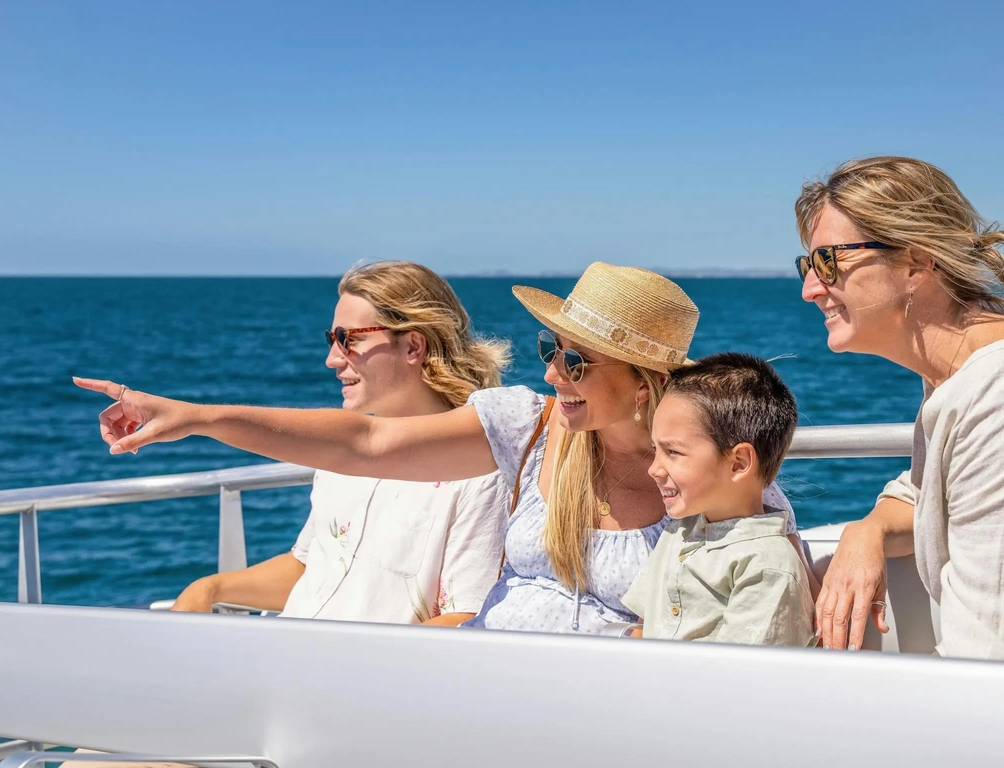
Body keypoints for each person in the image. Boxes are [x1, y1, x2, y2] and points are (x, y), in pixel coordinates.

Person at [76, 261, 808, 635]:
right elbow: (367, 442)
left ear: (646, 382)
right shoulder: (530, 426)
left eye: (575, 362)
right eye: (553, 351)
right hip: (476, 686)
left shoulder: (712, 474)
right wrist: (199, 416)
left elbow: (758, 584)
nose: (552, 373)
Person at [163, 260, 512, 625]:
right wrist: (209, 589)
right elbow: (310, 567)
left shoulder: (479, 469)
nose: (332, 359)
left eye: (350, 339)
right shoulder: (340, 458)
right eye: (332, 340)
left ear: (412, 346)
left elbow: (467, 616)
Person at [795, 156, 1004, 658]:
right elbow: (927, 486)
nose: (809, 289)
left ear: (916, 263)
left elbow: (985, 650)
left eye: (828, 262)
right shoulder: (957, 379)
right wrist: (867, 530)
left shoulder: (991, 396)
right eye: (808, 265)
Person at [622, 352, 814, 645]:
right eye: (655, 450)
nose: (654, 469)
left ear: (739, 463)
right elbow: (642, 627)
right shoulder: (679, 531)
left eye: (672, 452)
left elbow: (737, 681)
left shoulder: (766, 566)